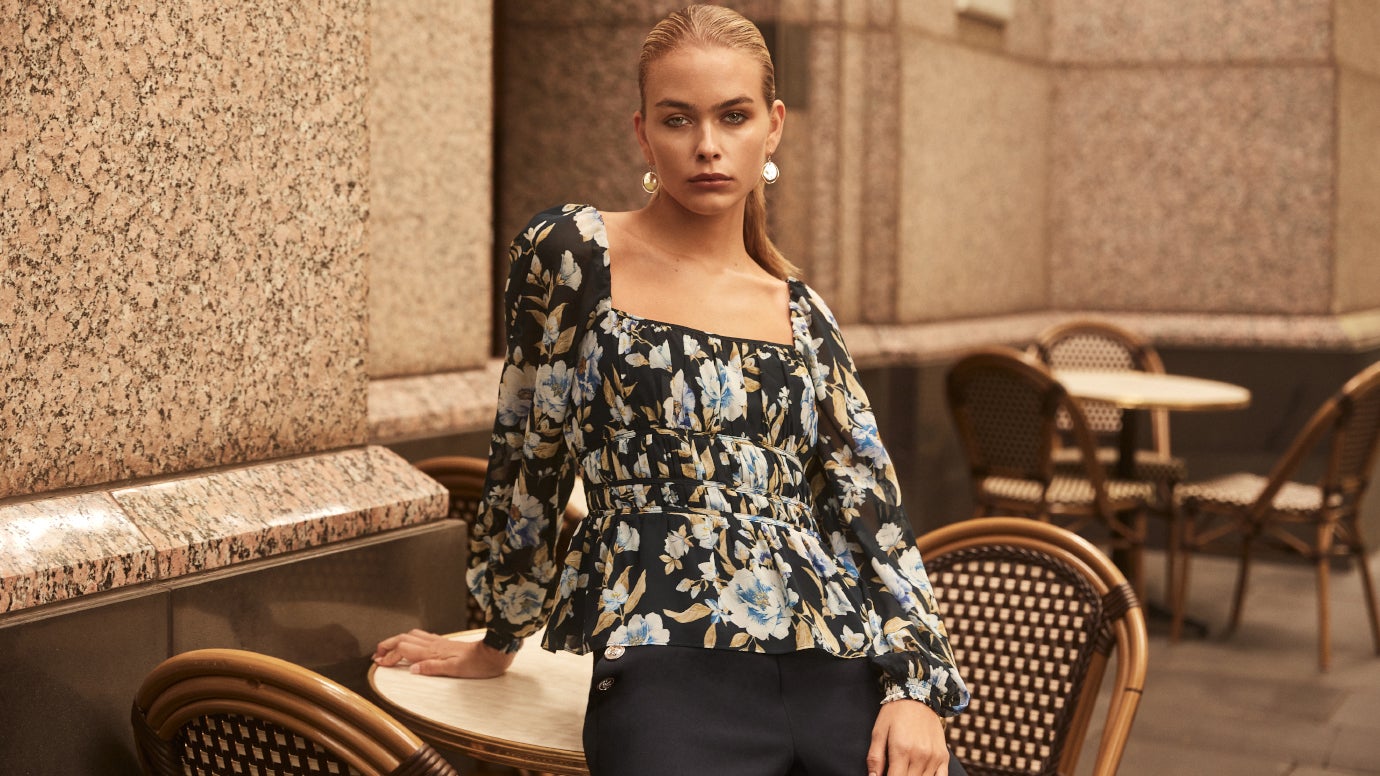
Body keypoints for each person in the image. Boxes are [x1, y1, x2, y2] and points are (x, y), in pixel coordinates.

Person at [374, 6, 970, 775]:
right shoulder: (574, 254)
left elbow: (870, 514)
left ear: (773, 126)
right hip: (667, 661)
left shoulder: (803, 315)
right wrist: (499, 634)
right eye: (679, 119)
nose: (708, 146)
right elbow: (529, 450)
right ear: (642, 132)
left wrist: (913, 687)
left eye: (734, 116)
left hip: (835, 669)